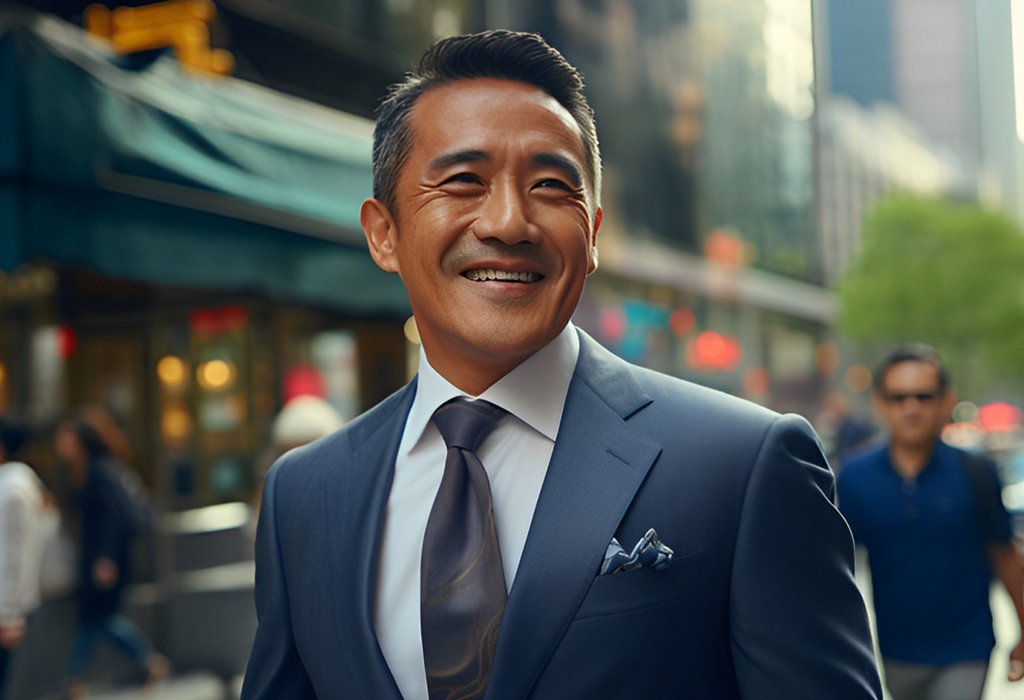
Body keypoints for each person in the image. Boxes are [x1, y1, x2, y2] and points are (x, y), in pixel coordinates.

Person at [241, 30, 882, 699]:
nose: (510, 222)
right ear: (383, 232)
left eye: (551, 185)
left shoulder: (743, 465)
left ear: (594, 233)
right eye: (463, 181)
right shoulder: (304, 496)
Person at [836, 344, 1024, 700]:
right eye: (899, 397)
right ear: (880, 403)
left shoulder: (977, 474)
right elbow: (837, 567)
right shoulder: (856, 477)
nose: (911, 408)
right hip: (894, 654)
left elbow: (1005, 554)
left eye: (924, 396)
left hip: (966, 651)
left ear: (945, 401)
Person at [55, 418, 168, 698]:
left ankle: (77, 679)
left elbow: (114, 519)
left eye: (67, 439)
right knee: (96, 620)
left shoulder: (100, 472)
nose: (61, 445)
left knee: (98, 619)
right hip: (97, 558)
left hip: (104, 559)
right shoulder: (83, 472)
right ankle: (76, 681)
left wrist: (106, 558)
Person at [0, 419, 54, 699]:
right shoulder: (23, 484)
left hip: (9, 608)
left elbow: (11, 555)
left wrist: (8, 615)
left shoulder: (11, 491)